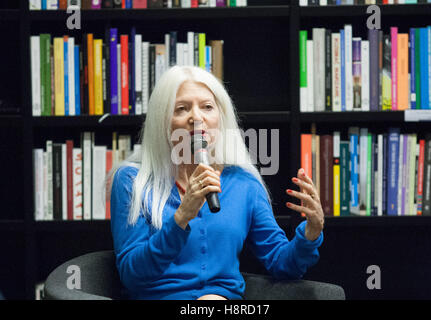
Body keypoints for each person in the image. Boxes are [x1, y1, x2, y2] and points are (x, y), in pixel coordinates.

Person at [107, 65, 324, 300]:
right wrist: (181, 217)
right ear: (163, 122)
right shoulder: (132, 181)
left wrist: (311, 233)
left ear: (220, 118)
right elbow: (132, 274)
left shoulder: (244, 183)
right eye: (181, 109)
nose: (196, 118)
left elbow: (282, 264)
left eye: (207, 107)